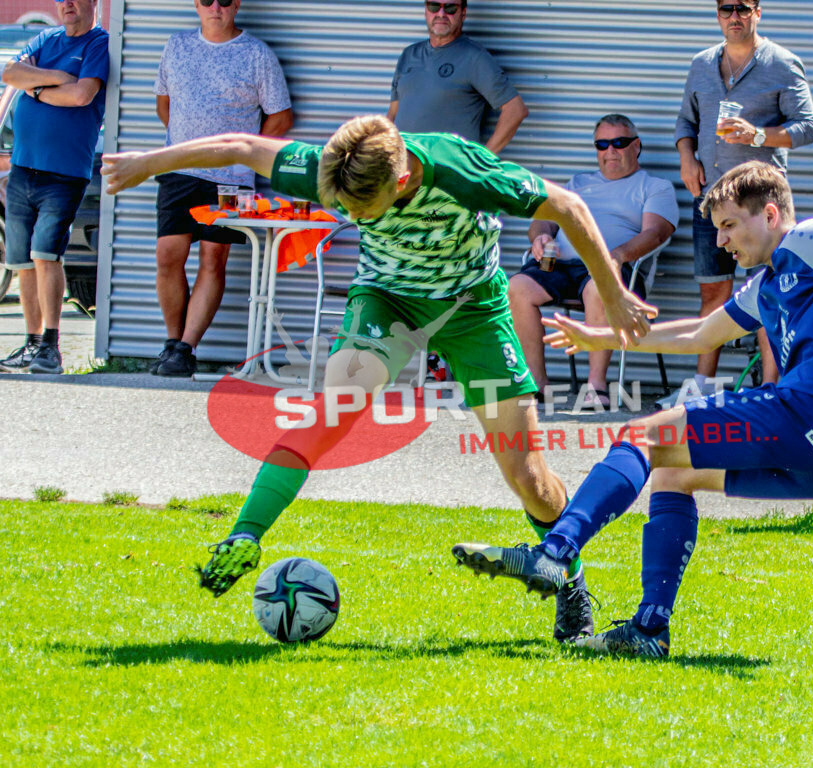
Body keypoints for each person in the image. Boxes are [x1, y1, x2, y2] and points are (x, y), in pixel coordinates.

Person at [101, 114, 656, 642]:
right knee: (333, 410)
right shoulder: (339, 163)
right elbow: (241, 147)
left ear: (404, 178)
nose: (357, 219)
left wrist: (612, 294)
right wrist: (148, 163)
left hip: (473, 312)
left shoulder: (465, 172)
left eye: (364, 211)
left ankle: (569, 576)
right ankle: (245, 532)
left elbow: (569, 206)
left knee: (527, 473)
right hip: (385, 302)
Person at [453, 160, 813, 658]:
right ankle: (650, 630)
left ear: (772, 214)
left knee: (640, 438)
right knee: (675, 474)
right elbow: (698, 334)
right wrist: (598, 335)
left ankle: (555, 551)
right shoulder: (767, 286)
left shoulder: (809, 240)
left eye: (730, 226)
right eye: (718, 230)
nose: (721, 242)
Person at [674, 0, 813, 395]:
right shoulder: (702, 63)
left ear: (758, 12)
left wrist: (757, 136)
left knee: (769, 293)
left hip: (759, 205)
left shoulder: (782, 63)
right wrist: (687, 158)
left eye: (742, 8)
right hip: (710, 197)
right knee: (714, 291)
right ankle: (703, 386)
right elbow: (686, 120)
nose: (733, 17)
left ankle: (771, 389)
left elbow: (808, 128)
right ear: (716, 14)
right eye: (725, 8)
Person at [150, 0, 292, 377]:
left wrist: (244, 154)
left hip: (232, 178)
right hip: (179, 169)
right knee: (168, 255)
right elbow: (164, 106)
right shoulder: (176, 46)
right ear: (196, 4)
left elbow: (281, 117)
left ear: (237, 5)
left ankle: (185, 348)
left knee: (214, 258)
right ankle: (171, 342)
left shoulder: (257, 54)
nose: (216, 6)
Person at [508, 114, 677, 408]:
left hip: (612, 269)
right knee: (517, 288)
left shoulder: (654, 186)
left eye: (619, 143)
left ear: (636, 146)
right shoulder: (577, 183)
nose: (610, 151)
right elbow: (544, 220)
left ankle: (596, 386)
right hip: (560, 265)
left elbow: (656, 233)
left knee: (599, 287)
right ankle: (536, 385)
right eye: (602, 144)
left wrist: (617, 255)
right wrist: (541, 237)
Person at [0, 0, 108, 375]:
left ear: (93, 2)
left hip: (64, 172)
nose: (68, 4)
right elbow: (12, 73)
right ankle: (31, 345)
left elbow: (82, 96)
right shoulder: (46, 38)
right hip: (21, 168)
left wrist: (37, 88)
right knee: (21, 260)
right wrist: (57, 78)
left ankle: (50, 347)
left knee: (47, 254)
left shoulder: (98, 44)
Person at [387, 0, 528, 155]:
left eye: (450, 8)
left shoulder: (475, 58)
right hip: (406, 170)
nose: (441, 14)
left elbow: (515, 110)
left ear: (463, 13)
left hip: (448, 173)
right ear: (426, 10)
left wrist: (483, 161)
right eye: (434, 6)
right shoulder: (408, 55)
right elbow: (393, 113)